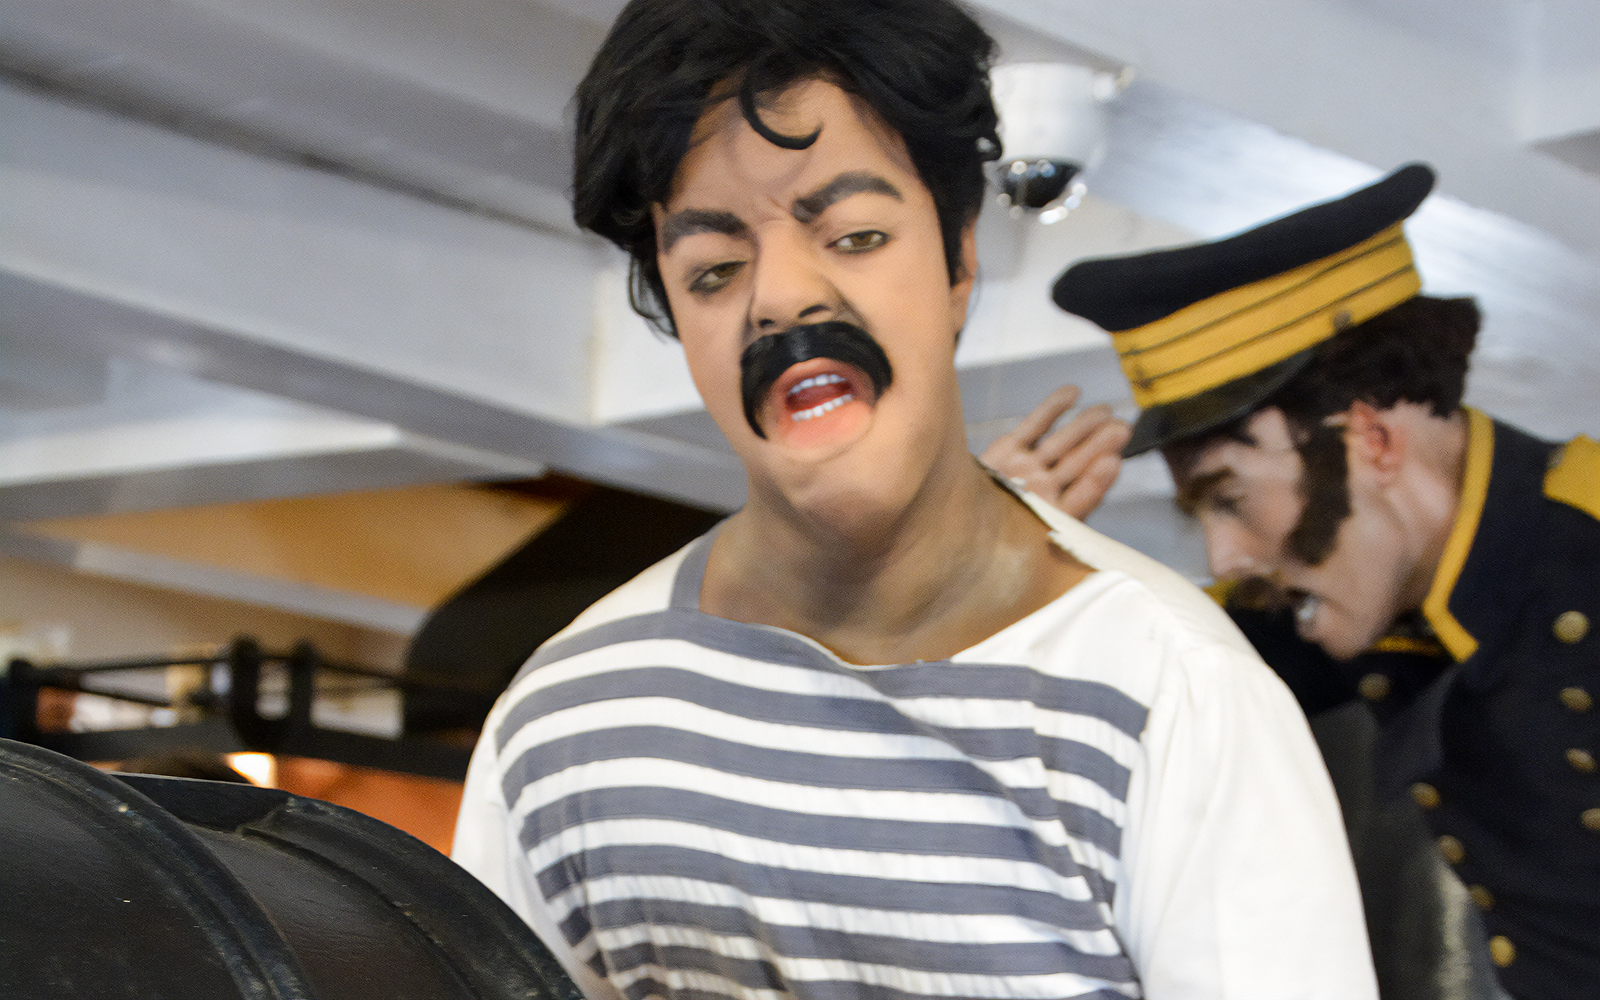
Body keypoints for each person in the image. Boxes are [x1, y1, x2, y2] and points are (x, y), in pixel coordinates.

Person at [452, 2, 1376, 997]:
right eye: (714, 270)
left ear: (958, 261)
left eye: (854, 235)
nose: (782, 297)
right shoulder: (562, 720)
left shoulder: (1173, 695)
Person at [993, 163, 1598, 999]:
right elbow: (1150, 688)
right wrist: (995, 559)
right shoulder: (1366, 582)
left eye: (1232, 499)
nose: (1225, 558)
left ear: (1371, 440)